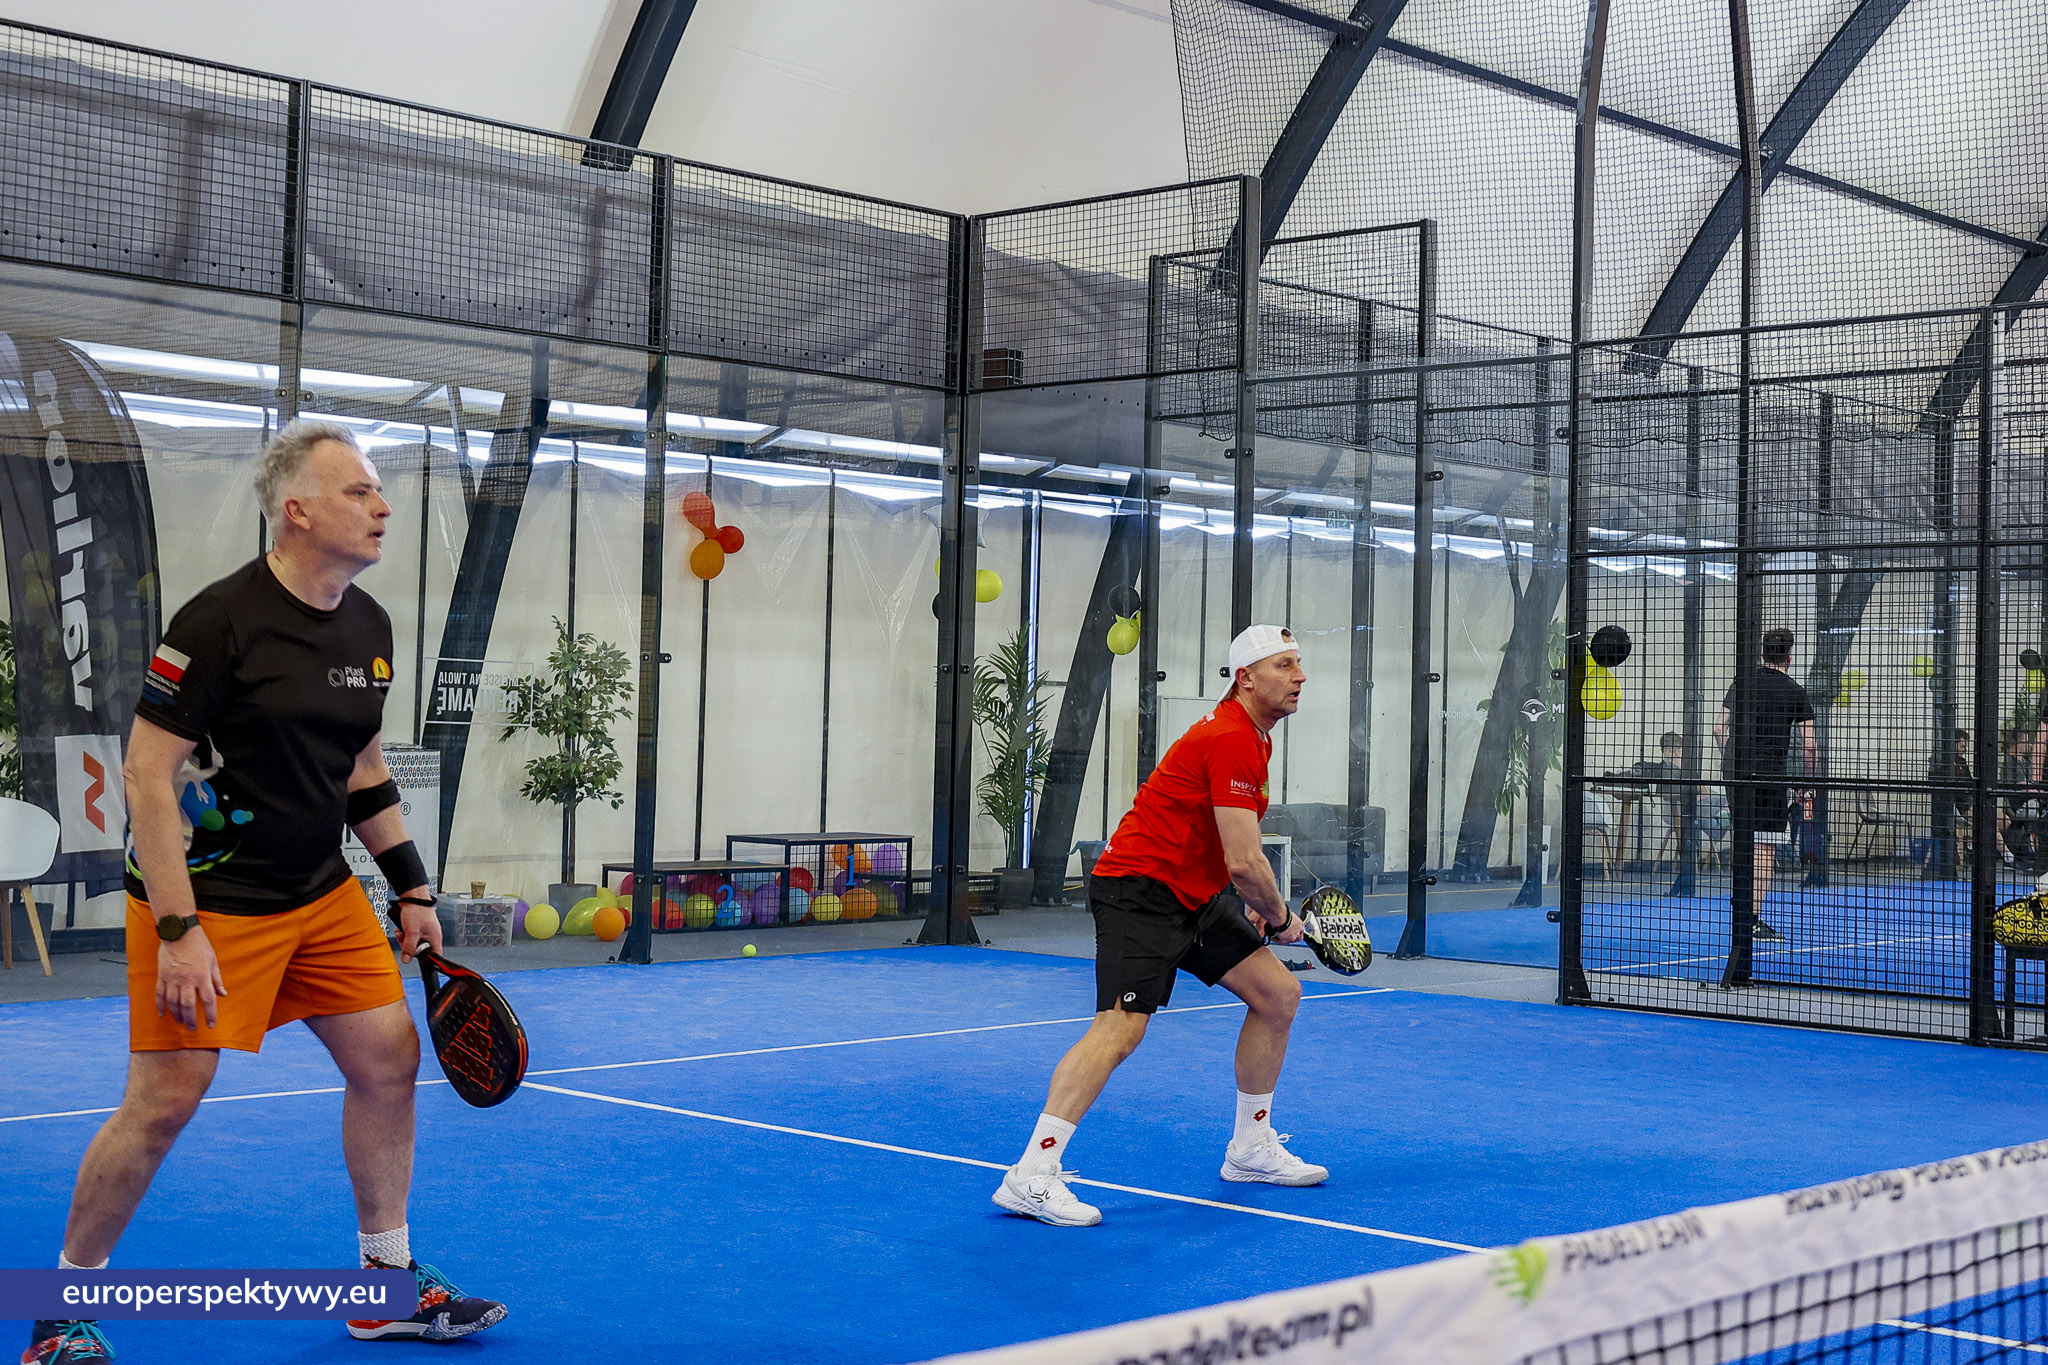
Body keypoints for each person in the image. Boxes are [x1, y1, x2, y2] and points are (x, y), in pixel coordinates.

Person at [25, 421, 505, 1365]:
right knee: (166, 1099)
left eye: (378, 491)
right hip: (209, 900)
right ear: (298, 509)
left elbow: (360, 765)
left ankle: (384, 1286)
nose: (383, 505)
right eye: (361, 491)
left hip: (319, 893)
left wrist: (411, 887)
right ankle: (58, 1312)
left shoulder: (368, 624)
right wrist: (176, 929)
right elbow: (147, 776)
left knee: (387, 1060)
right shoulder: (217, 623)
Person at [991, 624, 1321, 1228]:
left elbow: (1225, 848)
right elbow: (1248, 862)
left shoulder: (1251, 738)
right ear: (1245, 678)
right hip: (1139, 891)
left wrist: (1247, 897)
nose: (1299, 676)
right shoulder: (1230, 738)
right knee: (1119, 1029)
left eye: (1299, 664)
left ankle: (1250, 1149)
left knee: (1277, 994)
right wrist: (1280, 917)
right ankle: (1031, 1175)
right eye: (1284, 665)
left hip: (1193, 895)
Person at [1713, 628, 1816, 949]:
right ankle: (1750, 917)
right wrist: (1807, 784)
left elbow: (1719, 727)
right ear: (1789, 656)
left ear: (1761, 654)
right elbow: (1809, 746)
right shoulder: (1795, 691)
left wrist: (1731, 758)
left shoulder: (1742, 683)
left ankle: (1739, 905)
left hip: (1736, 771)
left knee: (1742, 837)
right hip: (1771, 775)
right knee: (1765, 846)